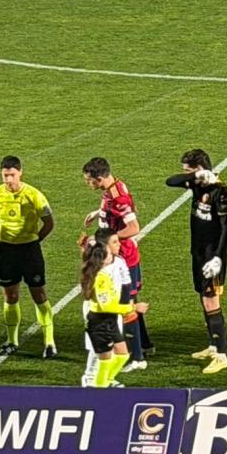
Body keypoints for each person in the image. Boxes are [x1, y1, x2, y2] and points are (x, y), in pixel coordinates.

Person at [165, 149, 227, 375]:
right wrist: (195, 177)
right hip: (198, 253)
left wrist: (218, 257)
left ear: (200, 167)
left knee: (211, 302)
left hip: (212, 257)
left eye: (189, 170)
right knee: (203, 300)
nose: (184, 174)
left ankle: (221, 355)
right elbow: (170, 181)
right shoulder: (197, 184)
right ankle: (213, 345)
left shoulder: (221, 191)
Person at [83, 157, 151, 372]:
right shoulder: (115, 186)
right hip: (121, 255)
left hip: (124, 257)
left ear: (100, 178)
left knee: (125, 306)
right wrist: (99, 213)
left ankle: (137, 358)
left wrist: (108, 240)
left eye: (89, 181)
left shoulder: (118, 197)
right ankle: (145, 345)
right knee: (131, 300)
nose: (88, 184)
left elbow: (133, 227)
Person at [0, 156, 57, 359]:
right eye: (5, 175)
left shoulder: (34, 195)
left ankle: (49, 342)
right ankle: (11, 341)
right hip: (7, 250)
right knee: (10, 296)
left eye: (12, 175)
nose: (8, 179)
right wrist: (7, 235)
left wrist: (35, 240)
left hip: (30, 251)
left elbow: (49, 223)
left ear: (20, 173)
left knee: (39, 294)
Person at [80, 228, 148, 388]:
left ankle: (105, 379)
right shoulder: (100, 271)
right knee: (98, 350)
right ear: (104, 247)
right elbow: (104, 304)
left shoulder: (119, 261)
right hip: (100, 313)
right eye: (115, 242)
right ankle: (91, 378)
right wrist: (132, 308)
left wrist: (127, 305)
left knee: (119, 352)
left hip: (115, 310)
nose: (119, 245)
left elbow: (126, 283)